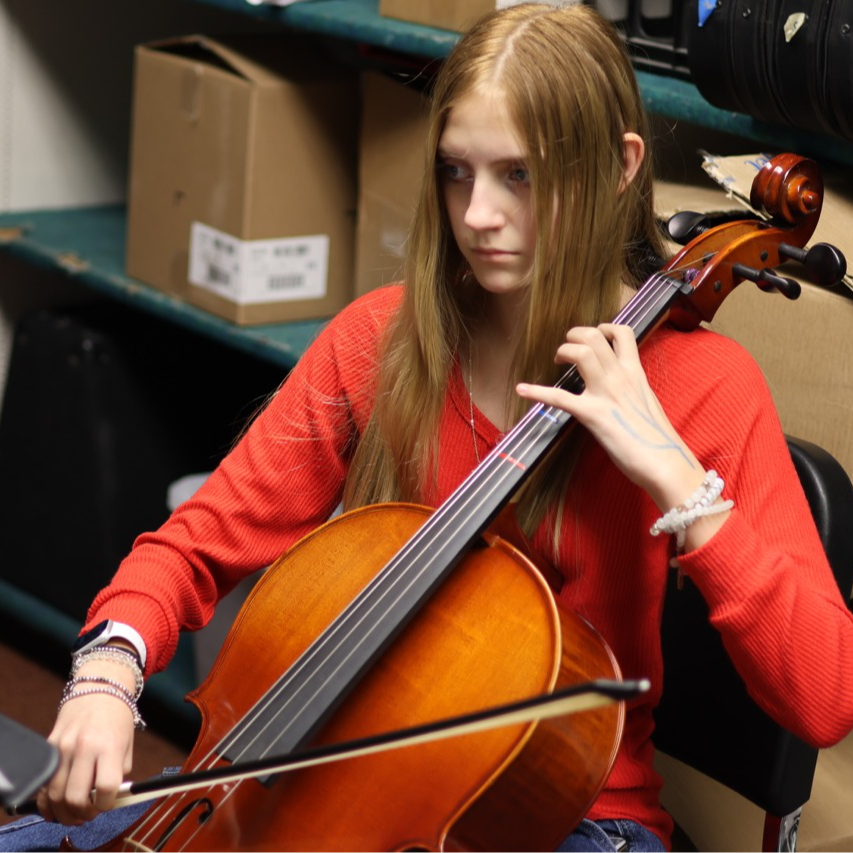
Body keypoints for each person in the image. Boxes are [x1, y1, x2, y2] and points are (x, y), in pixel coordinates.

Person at [4, 4, 853, 852]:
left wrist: (680, 485)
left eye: (517, 175)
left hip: (572, 822)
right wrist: (107, 673)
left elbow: (823, 696)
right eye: (456, 171)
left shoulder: (702, 386)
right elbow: (192, 544)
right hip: (325, 778)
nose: (478, 213)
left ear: (620, 166)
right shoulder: (380, 340)